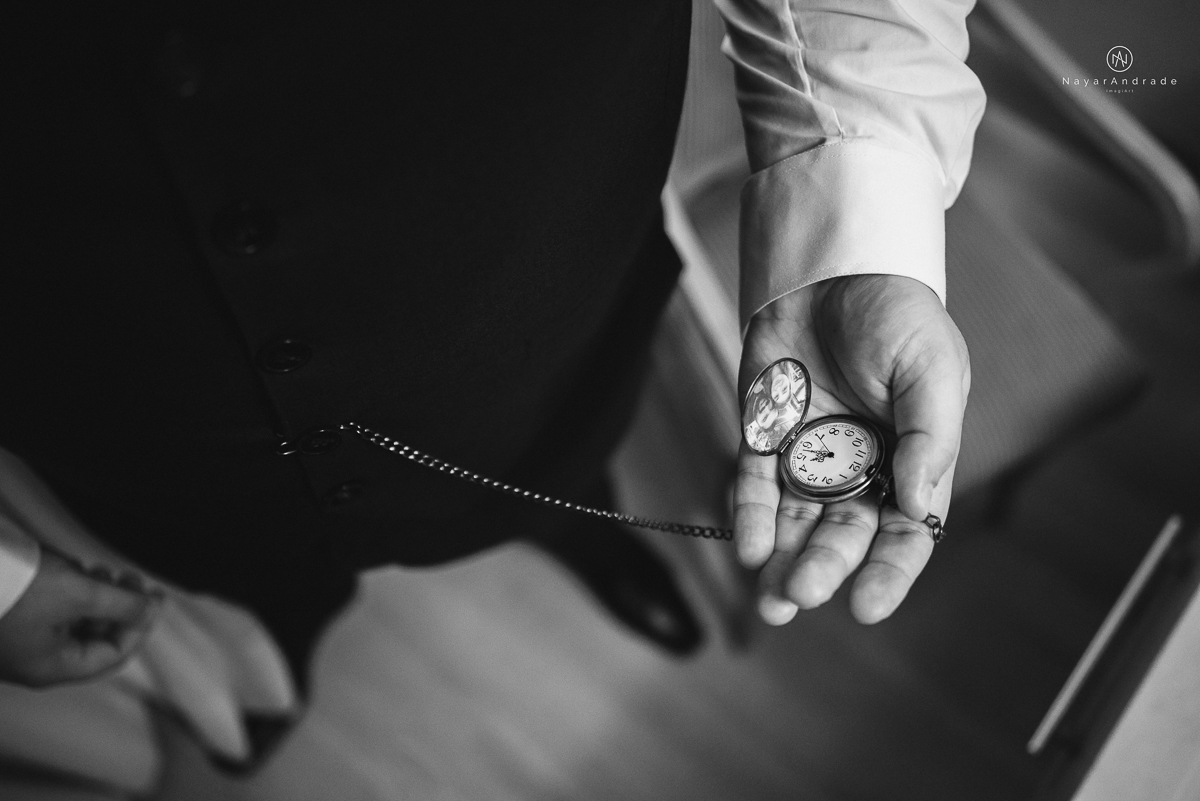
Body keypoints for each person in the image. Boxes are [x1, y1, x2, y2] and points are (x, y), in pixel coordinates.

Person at [0, 0, 982, 746]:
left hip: (543, 319)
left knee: (565, 468)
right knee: (246, 577)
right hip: (128, 424)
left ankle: (580, 528)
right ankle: (289, 632)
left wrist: (860, 221)